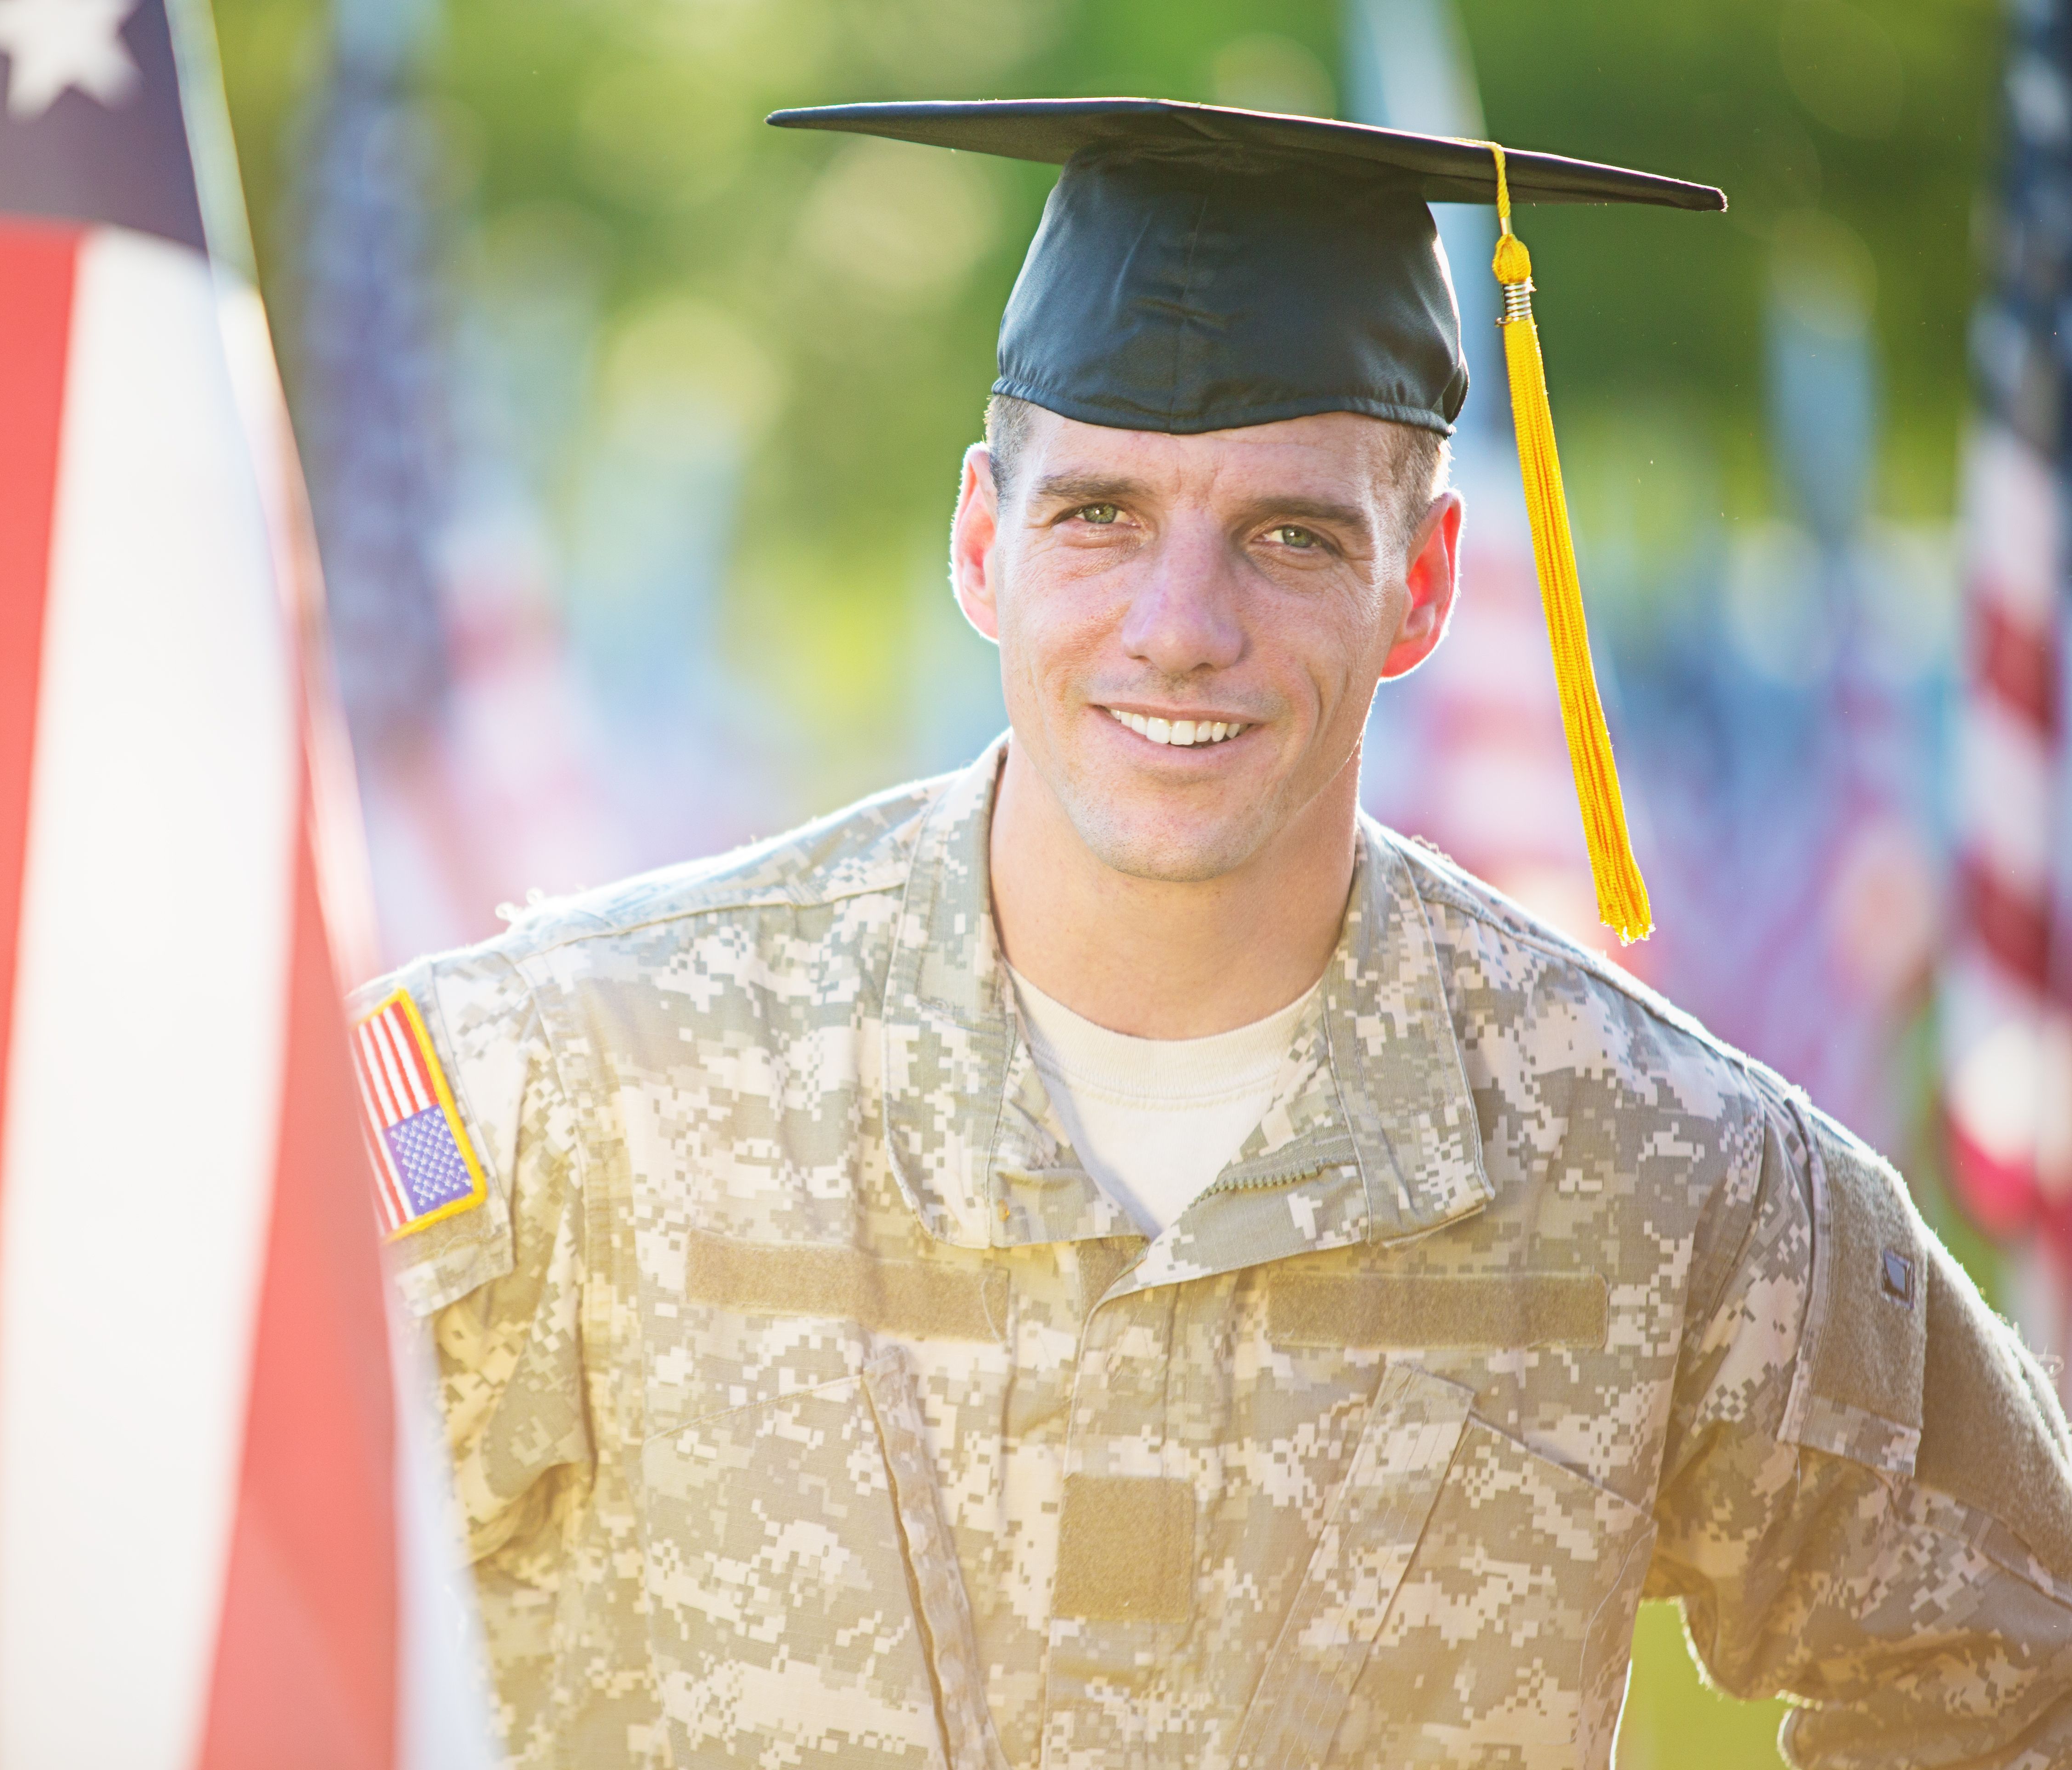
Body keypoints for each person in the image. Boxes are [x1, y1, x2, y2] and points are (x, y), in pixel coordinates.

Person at [348, 99, 2072, 1768]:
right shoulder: (577, 1073)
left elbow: (2023, 1678)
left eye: (1289, 537)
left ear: (1426, 584)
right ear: (980, 540)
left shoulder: (1662, 1165)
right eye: (1098, 516)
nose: (1181, 629)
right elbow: (187, 1535)